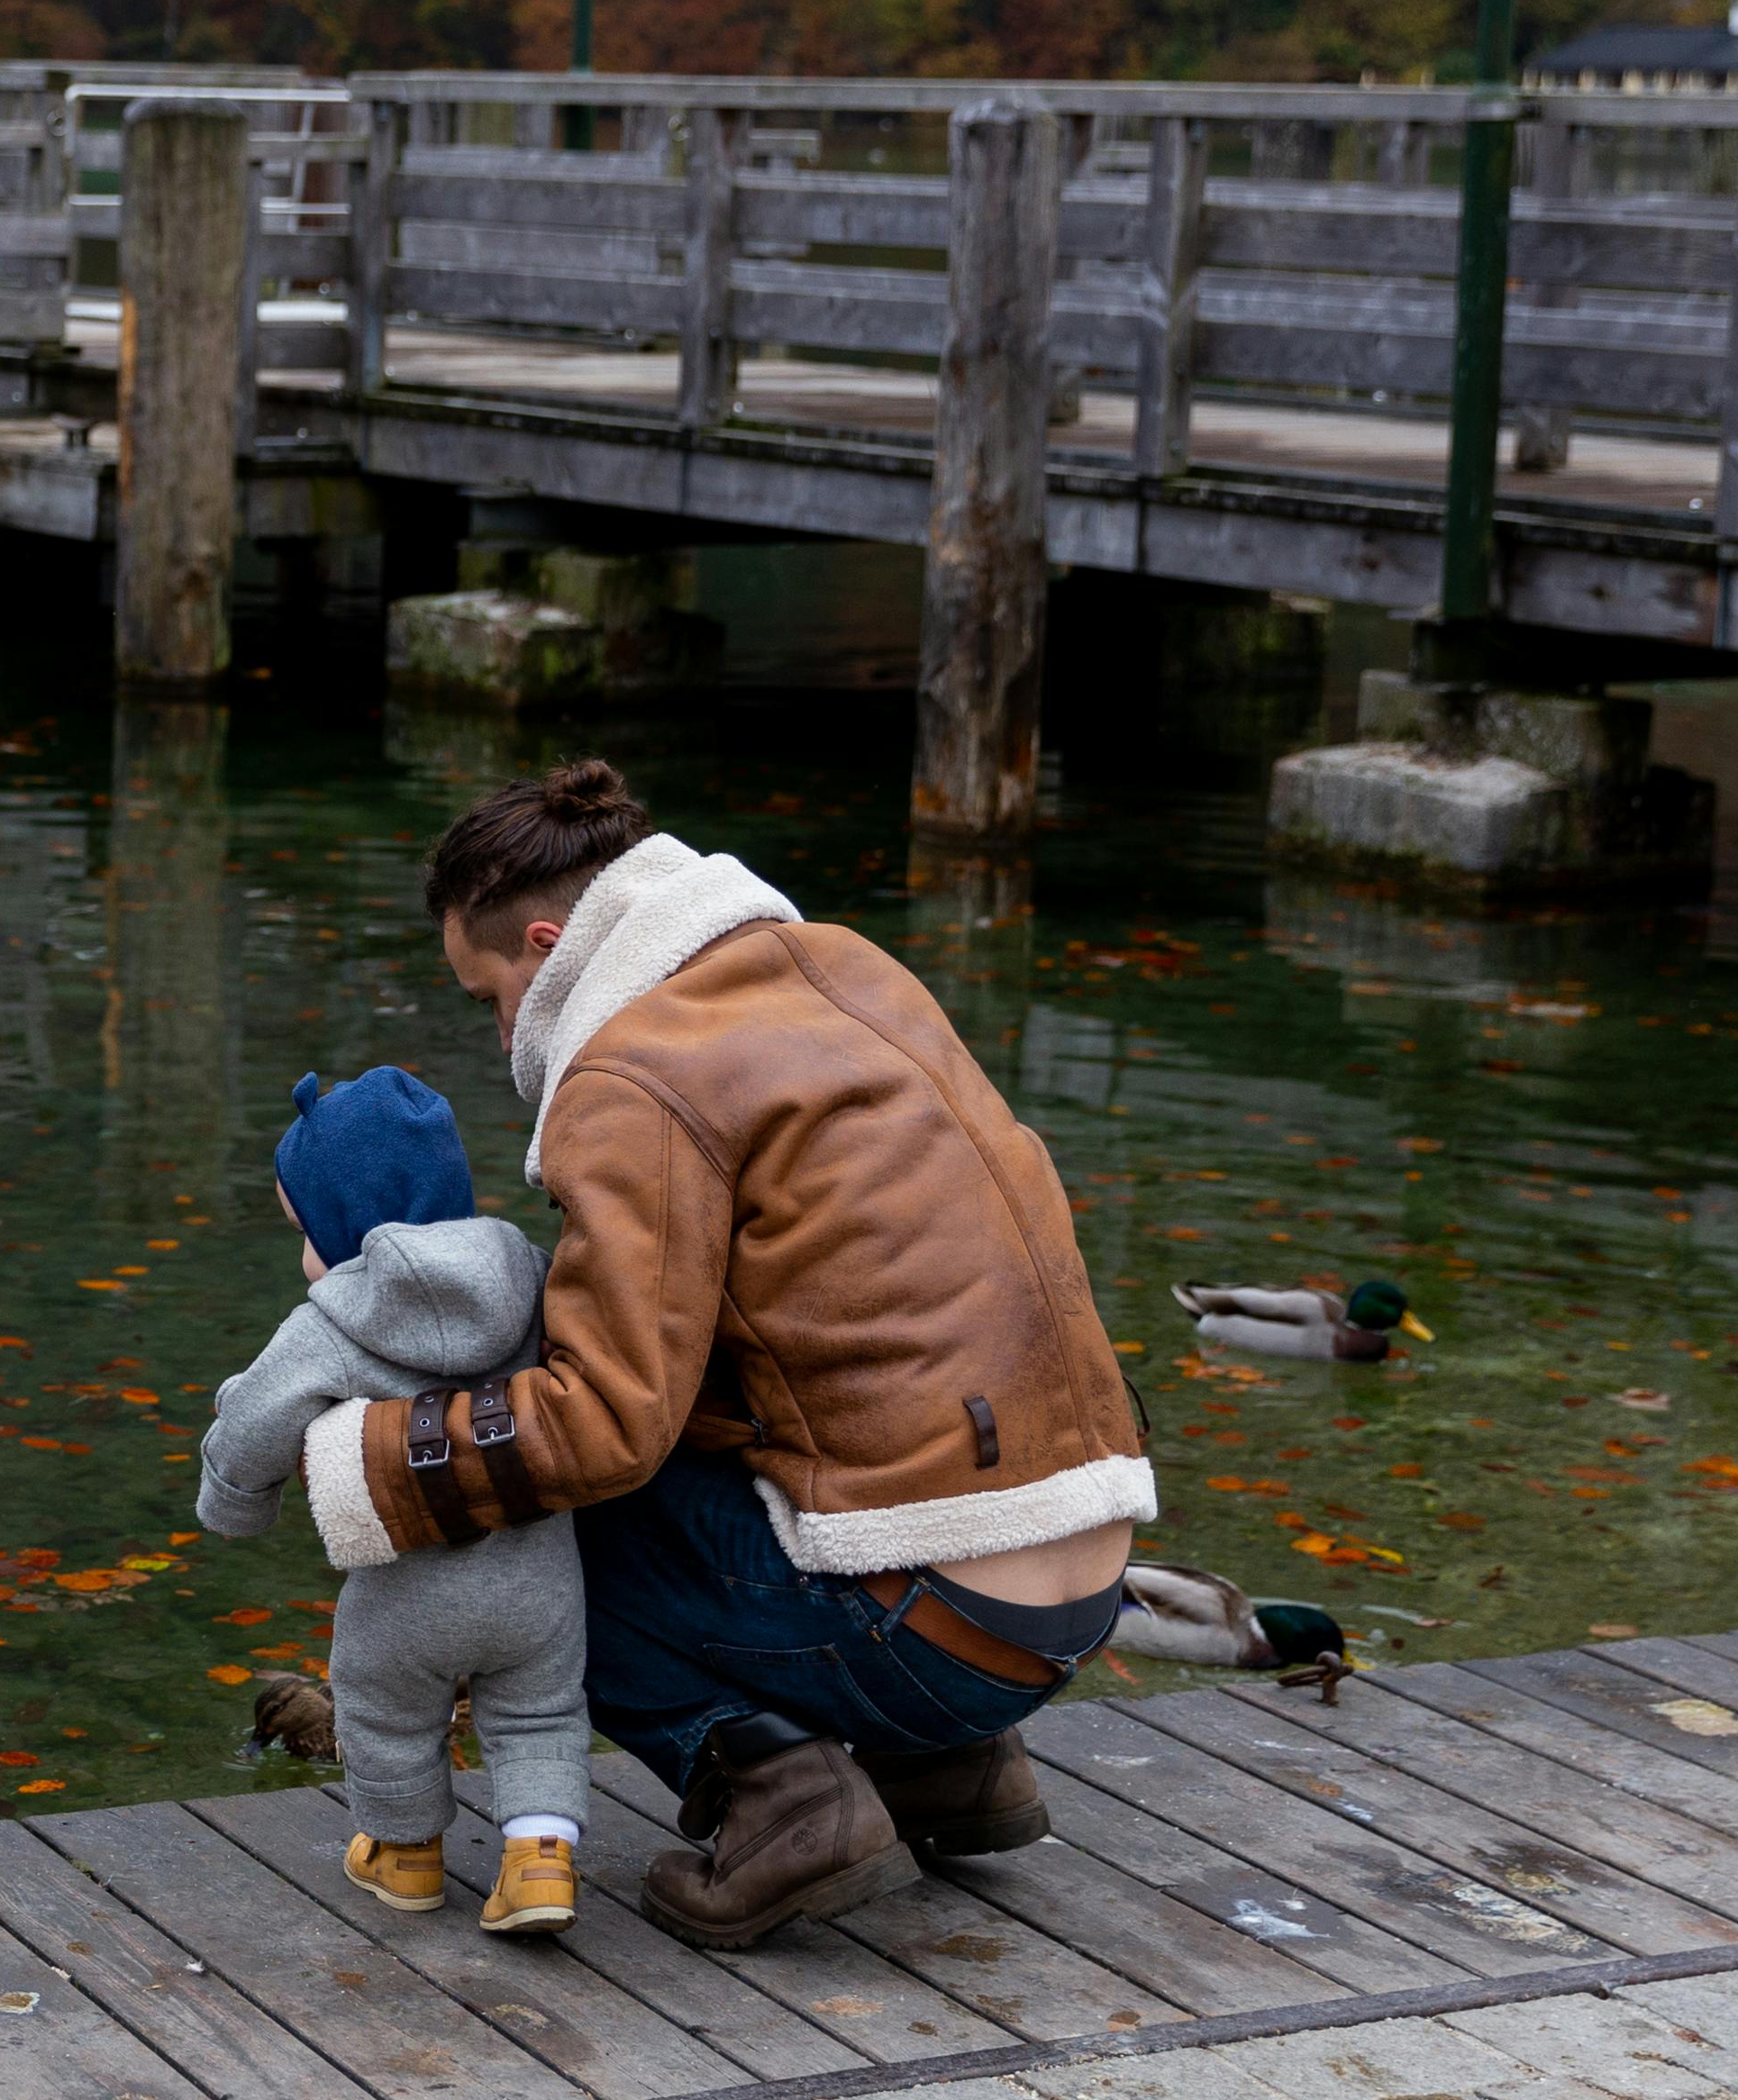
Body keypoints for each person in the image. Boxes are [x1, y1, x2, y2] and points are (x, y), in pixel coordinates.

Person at [297, 760, 1147, 1949]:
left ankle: (785, 1803)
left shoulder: (633, 1069)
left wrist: (366, 1458)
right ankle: (953, 1772)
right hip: (1068, 1596)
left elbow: (599, 1427)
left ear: (547, 945)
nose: (499, 1034)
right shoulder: (850, 971)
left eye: (489, 995)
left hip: (931, 1622)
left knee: (536, 1517)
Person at [195, 1067, 588, 1936]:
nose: (303, 1254)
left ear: (341, 1225)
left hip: (403, 1587)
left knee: (379, 1700)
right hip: (541, 1579)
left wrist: (231, 1503)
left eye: (302, 1231)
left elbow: (255, 1421)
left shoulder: (332, 1320)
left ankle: (406, 1855)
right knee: (541, 1710)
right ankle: (540, 1860)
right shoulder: (531, 1270)